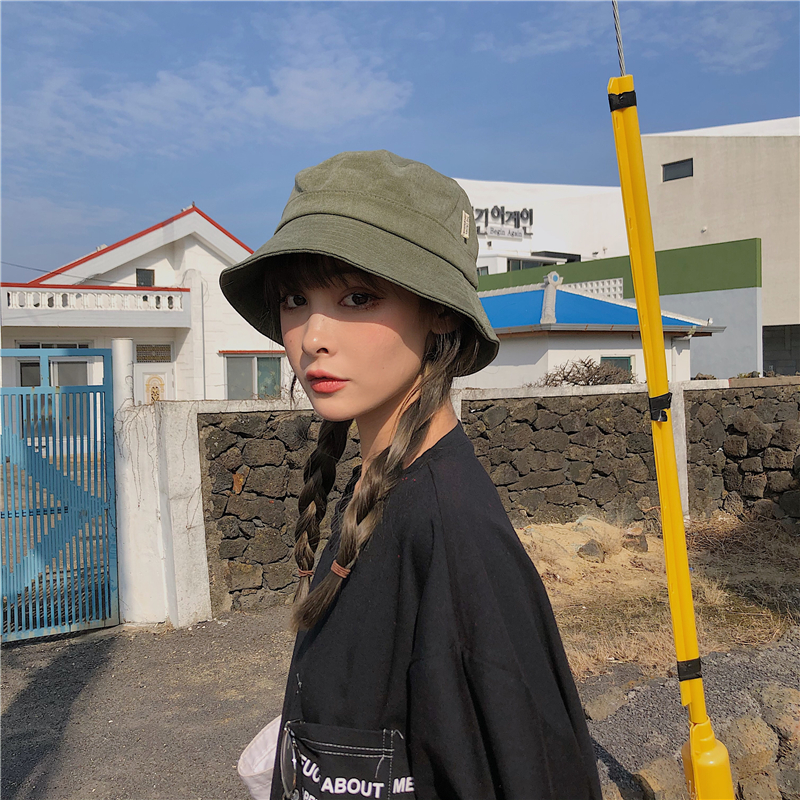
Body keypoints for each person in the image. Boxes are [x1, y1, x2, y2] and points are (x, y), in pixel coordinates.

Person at [219, 150, 602, 800]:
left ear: (441, 312)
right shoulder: (378, 491)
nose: (311, 335)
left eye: (357, 297)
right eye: (294, 299)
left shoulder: (451, 534)